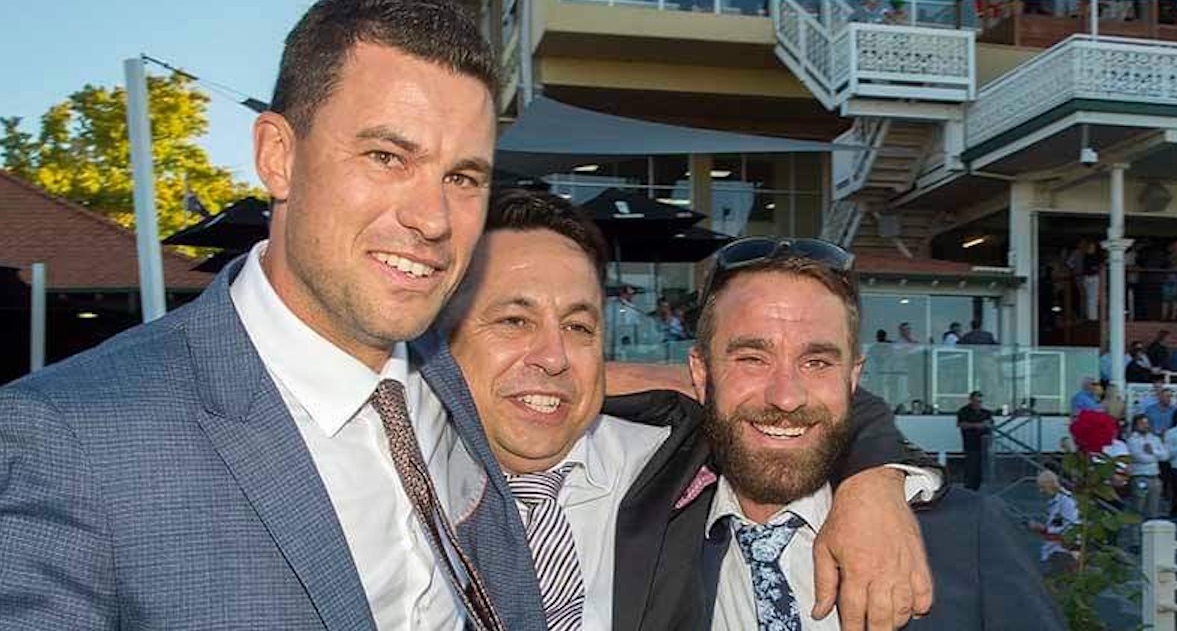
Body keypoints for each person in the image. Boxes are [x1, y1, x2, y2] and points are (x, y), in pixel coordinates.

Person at [0, 2, 545, 628]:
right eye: (386, 157)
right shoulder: (69, 438)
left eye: (463, 178)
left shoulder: (451, 378)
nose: (433, 219)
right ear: (278, 156)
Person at [444, 191, 941, 630]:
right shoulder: (405, 476)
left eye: (578, 328)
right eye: (513, 320)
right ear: (440, 336)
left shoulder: (664, 457)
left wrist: (871, 483)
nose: (554, 357)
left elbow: (798, 407)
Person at [681, 238, 1062, 629]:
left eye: (817, 362)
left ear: (852, 379)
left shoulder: (970, 535)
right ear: (700, 373)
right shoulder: (657, 533)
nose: (786, 397)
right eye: (752, 359)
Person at [1029, 470, 1079, 577]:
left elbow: (1072, 528)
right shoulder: (1056, 502)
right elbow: (1057, 524)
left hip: (1063, 552)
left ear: (1051, 485)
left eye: (1043, 487)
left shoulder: (1067, 502)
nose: (1041, 491)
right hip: (1054, 551)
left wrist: (1044, 529)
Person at [1127, 415, 1168, 520]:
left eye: (1147, 423)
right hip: (1140, 476)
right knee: (1138, 507)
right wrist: (1156, 457)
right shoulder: (1132, 440)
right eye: (1142, 423)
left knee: (1154, 508)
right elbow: (1141, 458)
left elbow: (1165, 456)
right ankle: (1135, 530)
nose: (1145, 426)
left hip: (1155, 476)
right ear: (1135, 425)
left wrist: (1153, 452)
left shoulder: (1155, 439)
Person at [956, 391, 993, 490]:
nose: (978, 404)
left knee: (982, 468)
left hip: (984, 445)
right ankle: (969, 487)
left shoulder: (986, 413)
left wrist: (986, 426)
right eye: (976, 401)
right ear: (971, 400)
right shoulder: (964, 411)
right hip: (971, 444)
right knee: (971, 467)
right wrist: (977, 425)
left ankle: (980, 487)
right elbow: (961, 424)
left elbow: (990, 425)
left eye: (980, 401)